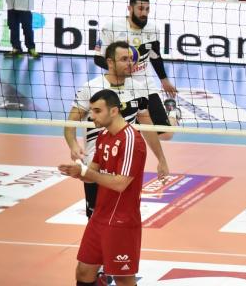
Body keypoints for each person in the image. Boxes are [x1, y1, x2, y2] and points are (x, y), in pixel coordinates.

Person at [65, 41, 169, 218]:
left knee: (123, 216)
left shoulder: (138, 88)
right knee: (95, 217)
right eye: (124, 59)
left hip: (125, 164)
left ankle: (172, 114)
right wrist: (73, 145)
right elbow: (71, 123)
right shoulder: (91, 88)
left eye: (131, 59)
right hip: (96, 163)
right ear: (110, 62)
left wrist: (161, 159)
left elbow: (147, 127)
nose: (130, 63)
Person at [58, 89, 147, 285]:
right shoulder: (104, 135)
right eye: (91, 110)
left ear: (114, 111)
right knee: (84, 271)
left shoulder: (132, 140)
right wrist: (79, 173)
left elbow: (120, 183)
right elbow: (92, 174)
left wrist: (87, 173)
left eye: (97, 111)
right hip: (100, 216)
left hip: (121, 221)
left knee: (123, 279)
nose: (92, 116)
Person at [95, 0, 180, 141]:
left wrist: (164, 80)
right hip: (119, 87)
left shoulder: (153, 29)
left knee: (166, 135)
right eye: (140, 9)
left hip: (145, 86)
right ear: (130, 8)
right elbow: (98, 58)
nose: (144, 13)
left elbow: (155, 57)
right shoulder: (111, 28)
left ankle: (173, 113)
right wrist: (120, 68)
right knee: (120, 133)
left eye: (147, 9)